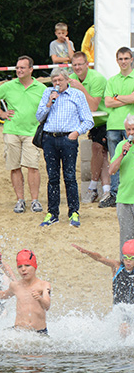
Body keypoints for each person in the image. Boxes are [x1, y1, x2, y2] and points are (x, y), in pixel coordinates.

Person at [0, 56, 46, 214]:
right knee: (14, 167)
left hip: (32, 132)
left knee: (33, 166)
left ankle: (35, 200)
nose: (19, 70)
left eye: (22, 68)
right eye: (17, 67)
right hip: (12, 131)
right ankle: (20, 200)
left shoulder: (41, 88)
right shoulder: (9, 86)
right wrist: (1, 113)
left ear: (30, 69)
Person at [35, 67, 93, 227]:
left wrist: (76, 132)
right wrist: (49, 103)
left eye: (60, 80)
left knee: (70, 176)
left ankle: (73, 211)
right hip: (49, 138)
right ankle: (52, 213)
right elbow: (39, 116)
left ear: (67, 80)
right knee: (52, 177)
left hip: (68, 139)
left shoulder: (77, 95)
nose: (57, 83)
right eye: (54, 80)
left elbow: (88, 120)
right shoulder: (48, 93)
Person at [0, 250, 50, 335]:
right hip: (19, 331)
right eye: (20, 267)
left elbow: (47, 306)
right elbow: (4, 295)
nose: (23, 269)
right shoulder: (15, 285)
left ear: (35, 266)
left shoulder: (44, 285)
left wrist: (40, 299)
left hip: (39, 332)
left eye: (27, 265)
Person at [69, 51, 111, 204]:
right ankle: (104, 190)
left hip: (106, 119)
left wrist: (81, 88)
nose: (77, 68)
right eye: (74, 65)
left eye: (80, 64)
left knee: (98, 149)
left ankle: (94, 188)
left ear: (87, 64)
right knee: (100, 152)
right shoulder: (71, 78)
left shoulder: (97, 79)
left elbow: (93, 106)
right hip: (92, 122)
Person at [72, 241, 134, 337]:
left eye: (132, 258)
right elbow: (99, 258)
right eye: (126, 257)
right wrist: (87, 252)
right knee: (124, 330)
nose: (128, 261)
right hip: (120, 309)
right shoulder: (117, 267)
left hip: (132, 309)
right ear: (122, 258)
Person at [103, 47, 134, 209]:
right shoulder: (112, 80)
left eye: (126, 58)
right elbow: (107, 102)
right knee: (115, 159)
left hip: (131, 125)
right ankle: (115, 194)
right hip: (114, 124)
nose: (123, 61)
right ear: (116, 61)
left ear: (131, 59)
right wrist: (127, 99)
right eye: (120, 59)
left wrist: (116, 97)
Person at [109, 114, 134, 256]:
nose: (131, 133)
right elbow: (112, 170)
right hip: (125, 199)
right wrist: (122, 154)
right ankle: (125, 267)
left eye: (133, 129)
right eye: (128, 130)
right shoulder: (121, 146)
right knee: (126, 239)